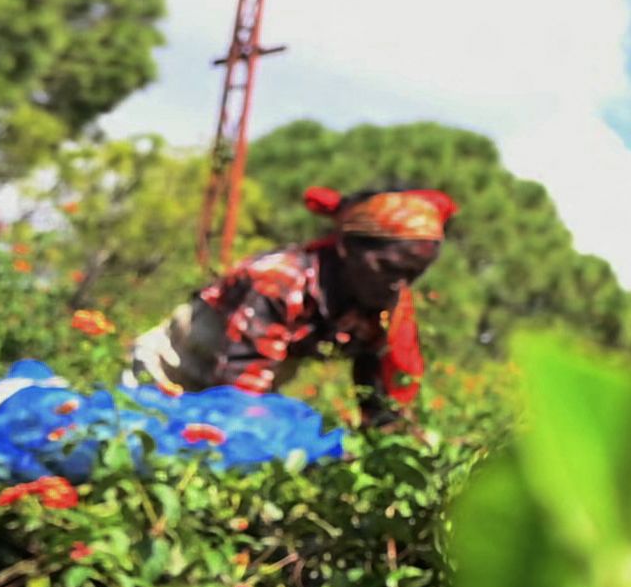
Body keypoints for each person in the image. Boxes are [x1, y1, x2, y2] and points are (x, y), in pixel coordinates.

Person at [125, 182, 454, 429]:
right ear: (348, 249)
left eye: (413, 275)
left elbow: (373, 387)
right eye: (389, 268)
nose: (399, 285)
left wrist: (389, 439)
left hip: (234, 397)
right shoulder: (278, 282)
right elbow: (236, 396)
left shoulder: (375, 300)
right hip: (166, 378)